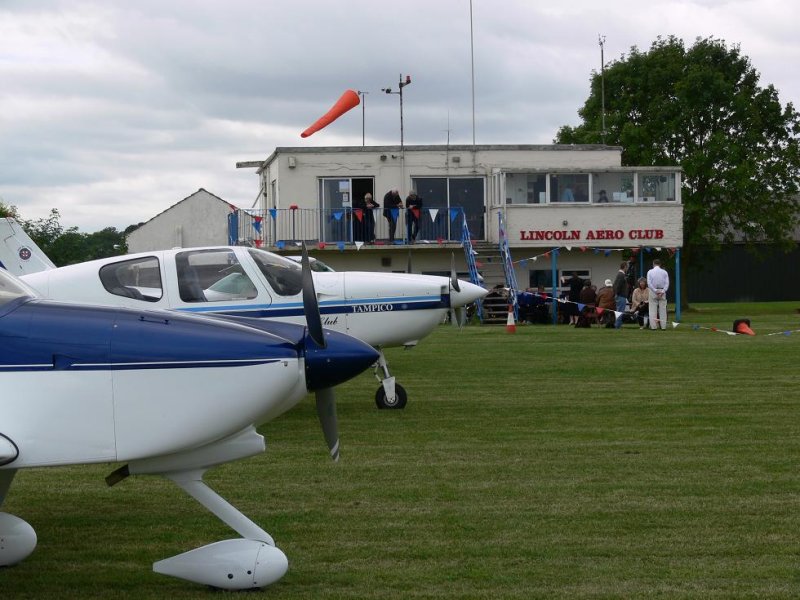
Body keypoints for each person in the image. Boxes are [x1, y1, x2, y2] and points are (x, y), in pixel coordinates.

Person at [646, 258, 669, 330]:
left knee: (652, 309)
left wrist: (655, 291)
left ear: (653, 264)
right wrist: (662, 291)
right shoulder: (664, 272)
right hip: (662, 290)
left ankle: (653, 327)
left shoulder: (650, 272)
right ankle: (663, 327)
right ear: (660, 264)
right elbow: (667, 283)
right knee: (663, 309)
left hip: (653, 291)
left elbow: (649, 283)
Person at [612, 262, 629, 329]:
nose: (627, 268)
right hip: (620, 295)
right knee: (620, 311)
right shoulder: (621, 275)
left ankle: (619, 325)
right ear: (624, 267)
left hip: (620, 295)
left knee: (619, 311)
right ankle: (617, 326)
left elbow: (614, 285)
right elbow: (617, 286)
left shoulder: (621, 274)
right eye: (627, 267)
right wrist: (617, 293)